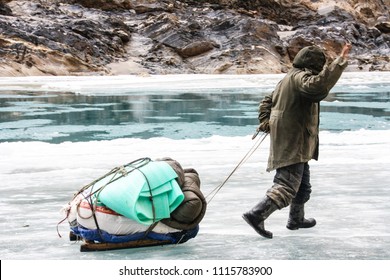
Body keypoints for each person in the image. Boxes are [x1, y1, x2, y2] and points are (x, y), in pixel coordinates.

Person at [242, 43, 352, 239]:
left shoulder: (288, 78)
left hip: (295, 140)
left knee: (302, 184)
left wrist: (268, 122)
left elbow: (267, 101)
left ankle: (296, 219)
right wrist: (340, 61)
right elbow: (317, 87)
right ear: (314, 64)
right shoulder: (301, 77)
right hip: (294, 140)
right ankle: (257, 214)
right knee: (287, 184)